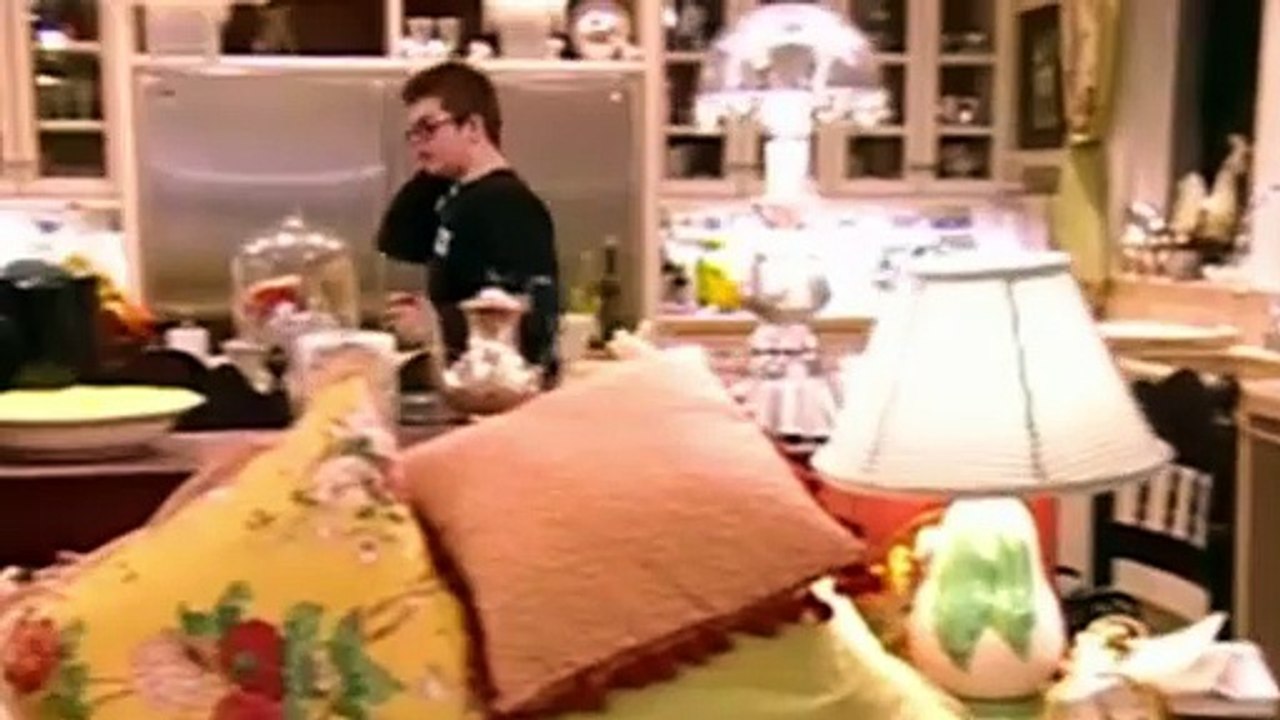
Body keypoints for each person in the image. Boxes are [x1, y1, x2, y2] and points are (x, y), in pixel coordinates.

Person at [377, 61, 559, 380]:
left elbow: (534, 323)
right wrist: (431, 164)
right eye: (413, 134)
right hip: (464, 380)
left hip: (498, 391)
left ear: (473, 127)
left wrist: (435, 325)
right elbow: (396, 241)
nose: (417, 144)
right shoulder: (457, 196)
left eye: (428, 128)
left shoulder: (509, 205)